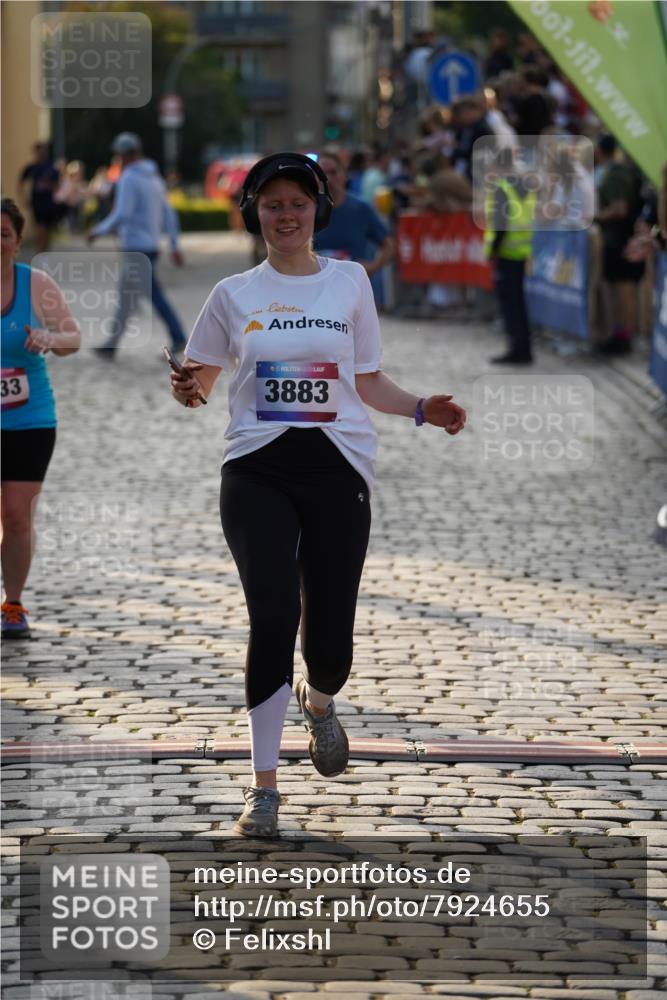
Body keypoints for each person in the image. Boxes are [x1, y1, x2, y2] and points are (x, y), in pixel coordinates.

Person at [169, 152, 466, 838]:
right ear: (254, 213)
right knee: (272, 614)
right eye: (270, 204)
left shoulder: (349, 282)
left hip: (338, 470)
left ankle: (320, 698)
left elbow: (367, 382)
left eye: (296, 203)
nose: (284, 215)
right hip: (256, 471)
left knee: (329, 642)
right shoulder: (232, 294)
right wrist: (186, 387)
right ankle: (263, 786)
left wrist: (422, 406)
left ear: (317, 209)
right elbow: (200, 384)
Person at [1, 198, 80, 638]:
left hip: (29, 417)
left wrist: (50, 337)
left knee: (15, 515)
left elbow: (74, 337)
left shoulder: (36, 285)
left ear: (17, 240)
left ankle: (12, 603)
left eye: (4, 234)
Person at [87, 132, 186, 357]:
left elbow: (122, 213)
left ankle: (179, 337)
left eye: (119, 155)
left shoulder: (129, 178)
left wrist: (98, 230)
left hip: (135, 247)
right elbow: (169, 214)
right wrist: (174, 244)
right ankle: (111, 345)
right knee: (127, 295)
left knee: (152, 294)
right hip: (151, 246)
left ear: (124, 155)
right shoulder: (155, 178)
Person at [484, 148, 537, 363]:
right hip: (522, 251)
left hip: (506, 252)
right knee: (519, 304)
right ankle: (524, 348)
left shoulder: (501, 189)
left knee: (510, 305)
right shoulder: (526, 186)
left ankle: (516, 350)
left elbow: (500, 224)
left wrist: (493, 251)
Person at [593, 134, 645, 354]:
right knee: (619, 288)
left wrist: (596, 216)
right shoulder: (618, 173)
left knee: (624, 290)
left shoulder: (616, 175)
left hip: (620, 239)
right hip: (620, 238)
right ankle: (620, 334)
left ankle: (624, 336)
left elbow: (620, 208)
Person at [313, 150, 395, 280]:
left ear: (344, 176)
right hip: (317, 290)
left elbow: (389, 246)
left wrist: (373, 267)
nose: (328, 179)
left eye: (333, 172)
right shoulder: (306, 211)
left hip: (354, 288)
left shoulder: (361, 208)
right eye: (322, 174)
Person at [18, 143, 63, 253]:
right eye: (39, 152)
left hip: (49, 203)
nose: (42, 154)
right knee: (40, 227)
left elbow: (58, 186)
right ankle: (40, 251)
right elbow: (21, 182)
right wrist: (24, 197)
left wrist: (48, 186)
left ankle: (45, 249)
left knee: (47, 228)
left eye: (44, 152)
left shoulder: (52, 167)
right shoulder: (32, 167)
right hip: (37, 202)